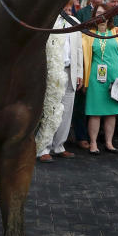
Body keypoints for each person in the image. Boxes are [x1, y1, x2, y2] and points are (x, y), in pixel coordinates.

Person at [81, 5, 118, 154]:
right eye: (98, 13)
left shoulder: (117, 32)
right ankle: (94, 143)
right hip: (96, 78)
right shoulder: (88, 34)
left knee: (111, 113)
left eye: (105, 13)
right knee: (95, 112)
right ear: (94, 15)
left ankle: (109, 143)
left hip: (115, 77)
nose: (102, 16)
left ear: (110, 15)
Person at [36, 9, 82, 162]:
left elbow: (79, 50)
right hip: (53, 70)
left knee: (66, 110)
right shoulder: (48, 19)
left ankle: (59, 146)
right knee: (50, 108)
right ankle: (43, 148)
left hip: (70, 70)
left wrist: (79, 73)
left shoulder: (75, 22)